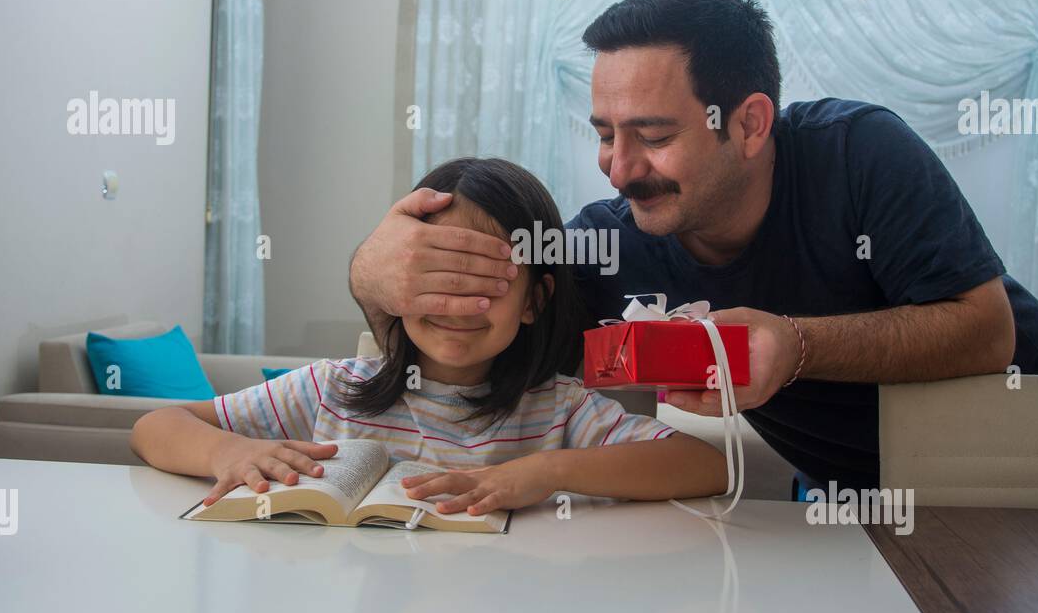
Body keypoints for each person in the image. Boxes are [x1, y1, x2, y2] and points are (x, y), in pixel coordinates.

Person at [349, 0, 1038, 496]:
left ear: (751, 124)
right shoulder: (605, 244)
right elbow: (483, 328)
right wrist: (370, 274)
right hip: (859, 507)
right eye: (605, 134)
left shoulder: (860, 153)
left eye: (655, 135)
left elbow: (987, 333)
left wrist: (797, 347)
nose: (619, 169)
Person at [131, 156, 727, 516]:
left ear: (534, 301)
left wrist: (546, 473)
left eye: (489, 281)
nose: (457, 305)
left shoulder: (556, 410)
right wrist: (228, 452)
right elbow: (153, 428)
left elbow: (706, 466)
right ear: (396, 283)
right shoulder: (334, 388)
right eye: (437, 278)